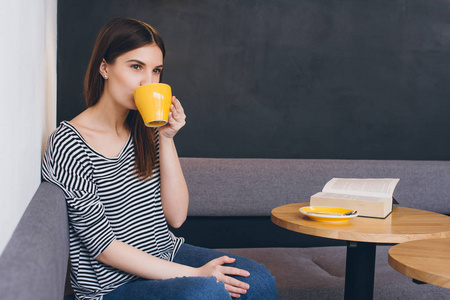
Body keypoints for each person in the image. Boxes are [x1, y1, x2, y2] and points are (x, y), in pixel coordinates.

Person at [42, 18, 278, 300]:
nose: (148, 81)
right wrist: (196, 274)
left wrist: (166, 138)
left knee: (259, 279)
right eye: (136, 67)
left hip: (165, 254)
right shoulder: (68, 143)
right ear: (105, 67)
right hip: (112, 286)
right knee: (205, 291)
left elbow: (176, 217)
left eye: (156, 71)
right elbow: (103, 247)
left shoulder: (147, 131)